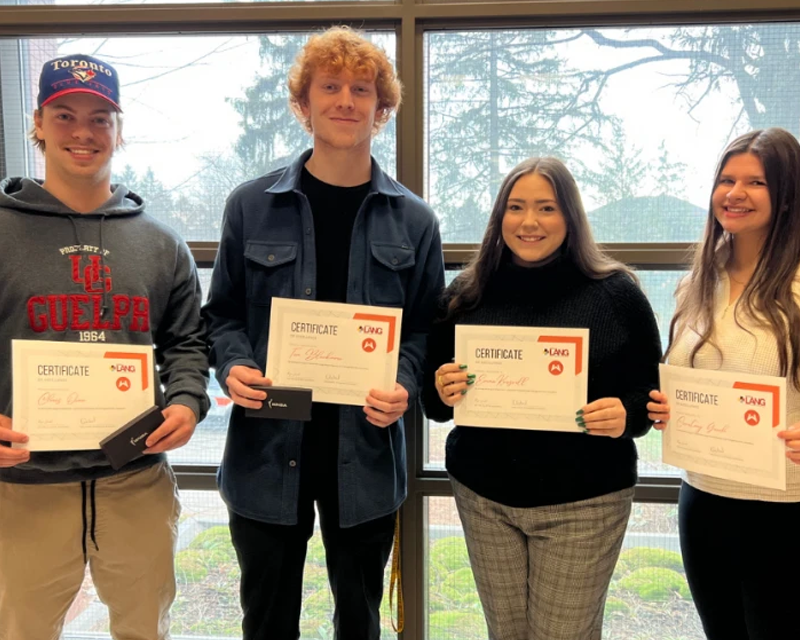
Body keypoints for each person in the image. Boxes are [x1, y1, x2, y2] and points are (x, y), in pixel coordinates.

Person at [202, 27, 444, 640]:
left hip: (363, 452)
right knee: (266, 619)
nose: (345, 101)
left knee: (360, 621)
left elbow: (424, 329)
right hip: (266, 451)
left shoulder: (414, 220)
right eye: (329, 87)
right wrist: (232, 365)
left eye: (361, 89)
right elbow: (221, 313)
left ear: (381, 108)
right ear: (303, 104)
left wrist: (406, 383)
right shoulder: (250, 205)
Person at [0, 54, 209, 640]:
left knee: (145, 627)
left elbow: (188, 341)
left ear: (120, 130)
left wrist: (188, 402)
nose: (83, 132)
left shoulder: (162, 243)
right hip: (24, 487)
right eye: (64, 115)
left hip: (134, 478)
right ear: (38, 123)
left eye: (100, 117)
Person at [422, 157, 661, 640]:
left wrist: (627, 414)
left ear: (570, 218)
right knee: (505, 633)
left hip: (585, 502)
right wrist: (442, 389)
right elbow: (434, 401)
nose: (530, 222)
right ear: (500, 218)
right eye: (516, 207)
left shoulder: (616, 294)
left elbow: (651, 396)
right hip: (485, 498)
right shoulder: (465, 295)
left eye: (547, 208)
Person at [647, 127, 800, 640]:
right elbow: (686, 374)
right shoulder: (696, 281)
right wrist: (667, 407)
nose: (735, 194)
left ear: (784, 198)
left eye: (755, 182)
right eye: (726, 180)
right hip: (704, 497)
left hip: (785, 507)